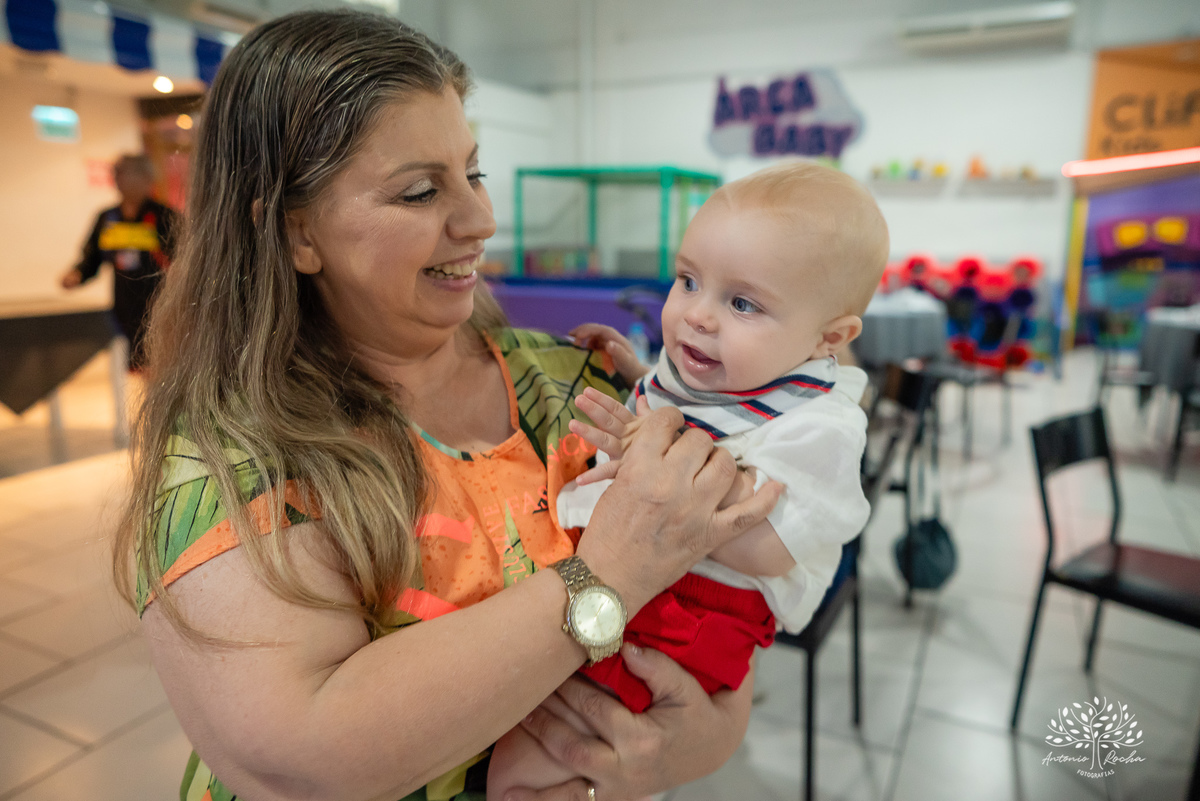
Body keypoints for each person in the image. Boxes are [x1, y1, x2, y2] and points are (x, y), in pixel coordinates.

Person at [115, 10, 783, 801]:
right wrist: (608, 574)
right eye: (422, 191)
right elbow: (301, 753)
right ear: (295, 232)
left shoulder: (572, 381)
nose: (479, 221)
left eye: (474, 173)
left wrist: (682, 746)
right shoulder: (231, 450)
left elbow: (724, 630)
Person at [487, 162, 889, 800]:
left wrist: (666, 475)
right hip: (641, 590)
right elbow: (697, 414)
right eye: (687, 280)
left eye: (742, 302)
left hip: (696, 618)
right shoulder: (730, 373)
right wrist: (636, 372)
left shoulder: (820, 426)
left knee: (527, 766)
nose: (697, 315)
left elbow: (772, 546)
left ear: (828, 338)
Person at [61, 154, 177, 369]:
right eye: (116, 174)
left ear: (146, 177)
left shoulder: (165, 216)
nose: (118, 179)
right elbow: (92, 256)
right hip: (124, 306)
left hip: (160, 305)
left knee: (163, 364)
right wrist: (77, 274)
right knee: (136, 367)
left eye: (124, 173)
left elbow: (182, 258)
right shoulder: (107, 217)